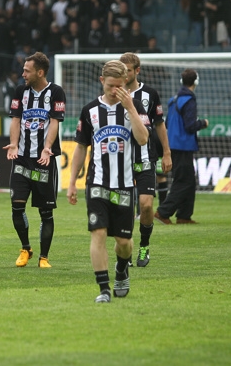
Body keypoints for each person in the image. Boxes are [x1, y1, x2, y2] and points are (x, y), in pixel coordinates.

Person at [67, 60, 150, 303]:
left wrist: (131, 109)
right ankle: (103, 289)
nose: (115, 90)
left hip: (124, 184)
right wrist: (72, 182)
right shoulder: (90, 110)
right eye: (111, 85)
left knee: (124, 243)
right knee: (98, 233)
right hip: (97, 183)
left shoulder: (133, 107)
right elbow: (81, 147)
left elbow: (143, 139)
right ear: (102, 81)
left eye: (120, 86)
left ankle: (122, 269)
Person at [3, 52, 66, 268]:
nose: (23, 74)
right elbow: (15, 119)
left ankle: (44, 257)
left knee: (45, 211)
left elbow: (55, 122)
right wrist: (13, 143)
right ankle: (25, 248)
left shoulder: (56, 92)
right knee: (16, 206)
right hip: (21, 159)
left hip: (43, 160)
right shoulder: (20, 91)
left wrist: (47, 149)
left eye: (27, 70)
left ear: (40, 72)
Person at [120, 53, 171, 267]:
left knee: (146, 206)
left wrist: (167, 152)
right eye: (122, 70)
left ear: (137, 71)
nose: (125, 74)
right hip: (121, 160)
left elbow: (159, 124)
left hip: (145, 158)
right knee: (125, 209)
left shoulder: (150, 94)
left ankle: (144, 246)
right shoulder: (114, 93)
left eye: (128, 70)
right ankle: (126, 250)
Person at [154, 69, 208, 225]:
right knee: (184, 181)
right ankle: (163, 212)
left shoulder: (173, 99)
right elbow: (190, 125)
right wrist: (203, 123)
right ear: (195, 82)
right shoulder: (189, 99)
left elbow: (168, 122)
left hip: (173, 144)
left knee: (189, 181)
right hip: (183, 145)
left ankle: (184, 215)